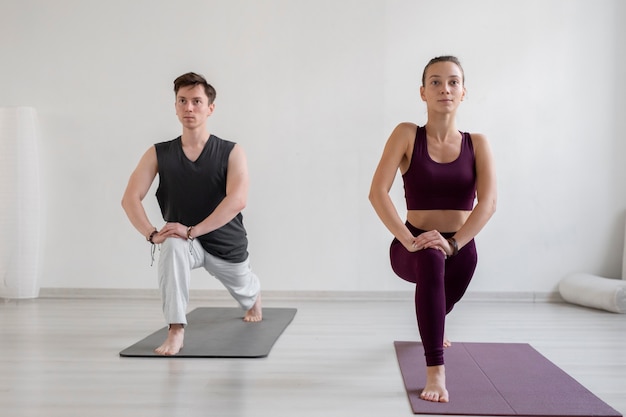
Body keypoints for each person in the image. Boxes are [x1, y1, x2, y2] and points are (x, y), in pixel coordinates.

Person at [369, 56, 497, 403]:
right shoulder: (407, 135)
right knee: (430, 258)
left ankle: (434, 325)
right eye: (436, 82)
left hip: (460, 249)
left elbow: (487, 204)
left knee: (440, 297)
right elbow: (377, 192)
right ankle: (435, 371)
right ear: (423, 92)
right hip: (412, 245)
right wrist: (409, 240)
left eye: (453, 82)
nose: (445, 88)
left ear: (463, 92)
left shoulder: (477, 144)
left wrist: (454, 244)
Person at [122, 72, 262, 356]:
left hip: (226, 245)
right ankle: (176, 329)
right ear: (175, 107)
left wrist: (192, 230)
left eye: (196, 101)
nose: (189, 107)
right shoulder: (158, 153)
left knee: (245, 290)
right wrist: (151, 233)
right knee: (172, 245)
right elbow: (130, 199)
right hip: (186, 240)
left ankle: (254, 296)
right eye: (182, 101)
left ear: (210, 108)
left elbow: (238, 201)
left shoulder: (232, 152)